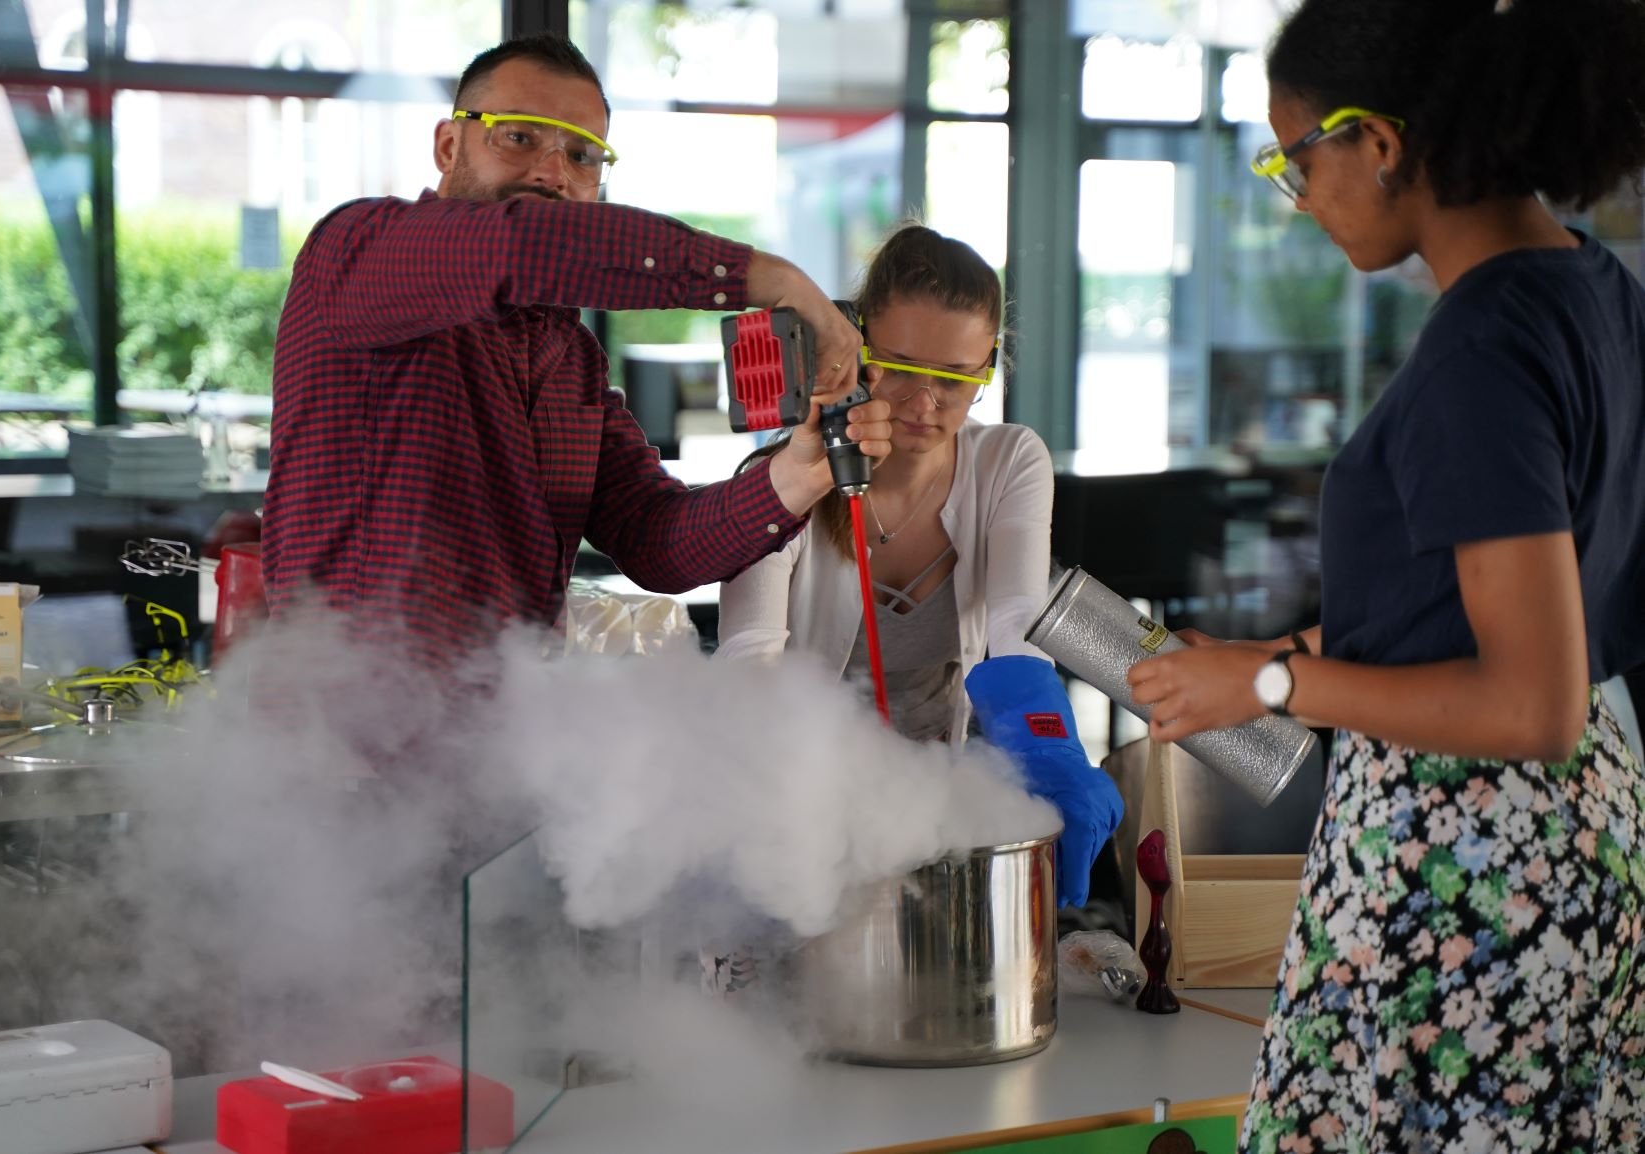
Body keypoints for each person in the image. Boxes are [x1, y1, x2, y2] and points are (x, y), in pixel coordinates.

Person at [1126, 1, 1645, 1148]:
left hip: (1471, 867)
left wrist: (1267, 691)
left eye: (1293, 157)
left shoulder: (1483, 349)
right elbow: (1474, 618)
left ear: (1378, 139)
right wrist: (1268, 659)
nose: (1298, 196)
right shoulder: (1590, 289)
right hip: (1573, 835)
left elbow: (1527, 702)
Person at [261, 34, 890, 660]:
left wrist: (800, 473)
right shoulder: (355, 249)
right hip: (340, 731)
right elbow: (520, 245)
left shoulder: (572, 359)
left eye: (584, 154)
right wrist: (773, 279)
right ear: (449, 145)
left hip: (508, 736)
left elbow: (657, 542)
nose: (553, 172)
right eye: (519, 136)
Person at [715, 224, 1120, 907]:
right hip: (790, 812)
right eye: (899, 369)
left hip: (936, 805)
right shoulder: (782, 477)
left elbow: (1018, 621)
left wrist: (1050, 751)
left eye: (956, 381)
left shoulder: (1009, 461)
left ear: (989, 366)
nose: (924, 405)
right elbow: (748, 660)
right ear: (852, 344)